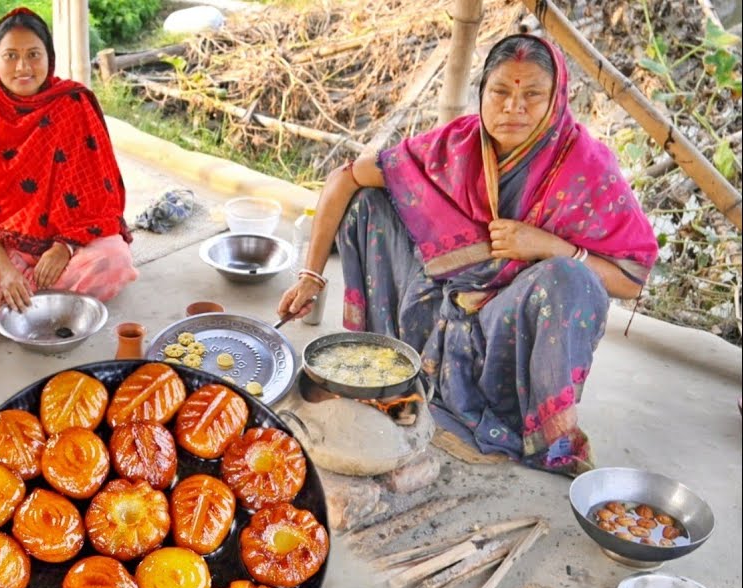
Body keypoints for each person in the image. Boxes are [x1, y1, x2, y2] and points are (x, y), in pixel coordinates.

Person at [278, 35, 657, 476]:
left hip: (508, 332)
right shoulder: (456, 147)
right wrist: (311, 276)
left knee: (571, 279)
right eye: (500, 91)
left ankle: (536, 426)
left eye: (532, 94)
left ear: (556, 100)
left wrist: (549, 246)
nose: (513, 107)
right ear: (483, 92)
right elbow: (343, 180)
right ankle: (386, 369)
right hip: (434, 310)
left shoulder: (586, 168)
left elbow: (631, 279)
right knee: (369, 204)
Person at [0, 7, 138, 322]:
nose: (23, 67)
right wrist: (6, 269)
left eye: (34, 54)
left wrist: (65, 247)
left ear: (49, 57)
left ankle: (7, 299)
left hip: (63, 245)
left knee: (113, 259)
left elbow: (99, 197)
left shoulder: (73, 105)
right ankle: (27, 294)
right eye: (10, 56)